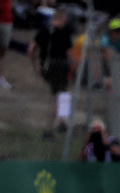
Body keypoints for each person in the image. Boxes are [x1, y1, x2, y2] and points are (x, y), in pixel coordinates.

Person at [32, 7, 74, 137]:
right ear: (62, 19)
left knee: (64, 94)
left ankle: (63, 122)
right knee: (57, 98)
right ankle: (48, 129)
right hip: (60, 66)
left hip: (46, 66)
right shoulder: (64, 33)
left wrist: (35, 66)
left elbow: (31, 50)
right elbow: (69, 53)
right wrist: (75, 67)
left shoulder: (44, 31)